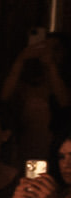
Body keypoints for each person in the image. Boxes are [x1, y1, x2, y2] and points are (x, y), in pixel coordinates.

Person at [4, 30, 70, 159]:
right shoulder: (27, 85)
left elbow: (65, 105)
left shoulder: (65, 86)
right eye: (45, 47)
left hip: (60, 150)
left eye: (55, 49)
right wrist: (21, 59)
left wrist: (51, 65)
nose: (49, 52)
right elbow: (4, 98)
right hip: (26, 147)